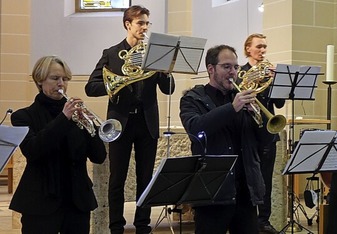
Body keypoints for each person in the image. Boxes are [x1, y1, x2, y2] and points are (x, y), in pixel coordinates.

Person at [84, 5, 175, 234]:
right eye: (140, 23)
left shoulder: (154, 54)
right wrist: (117, 83)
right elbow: (90, 87)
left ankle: (143, 225)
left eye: (147, 23)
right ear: (128, 25)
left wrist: (165, 72)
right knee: (117, 179)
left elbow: (169, 89)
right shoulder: (112, 53)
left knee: (146, 178)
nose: (144, 27)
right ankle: (116, 227)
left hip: (147, 123)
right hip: (119, 123)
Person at [10, 56, 107, 234]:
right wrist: (63, 119)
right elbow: (33, 151)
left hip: (77, 201)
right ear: (40, 80)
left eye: (65, 79)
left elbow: (99, 157)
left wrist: (91, 127)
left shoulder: (78, 116)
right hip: (41, 201)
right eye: (55, 78)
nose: (61, 84)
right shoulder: (23, 116)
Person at [179, 45, 265, 233]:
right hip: (212, 192)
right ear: (211, 69)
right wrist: (231, 108)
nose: (233, 72)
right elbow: (196, 129)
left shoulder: (242, 97)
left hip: (245, 192)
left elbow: (264, 141)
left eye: (235, 67)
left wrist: (259, 120)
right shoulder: (193, 98)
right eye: (226, 67)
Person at [240, 33, 285, 234]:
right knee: (248, 178)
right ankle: (247, 220)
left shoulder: (269, 72)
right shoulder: (241, 73)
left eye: (265, 47)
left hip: (268, 131)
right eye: (259, 46)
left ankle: (263, 221)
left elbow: (279, 104)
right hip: (247, 131)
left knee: (266, 179)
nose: (262, 50)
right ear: (248, 48)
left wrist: (278, 82)